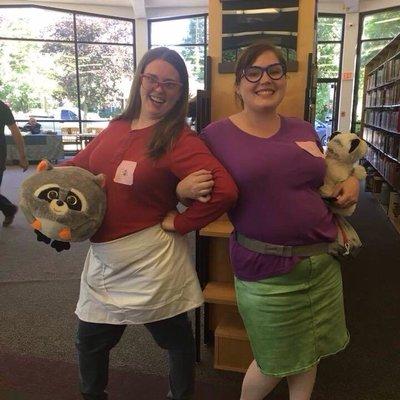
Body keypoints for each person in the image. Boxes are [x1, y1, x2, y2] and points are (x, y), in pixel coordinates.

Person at [177, 42, 360, 400]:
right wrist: (183, 189)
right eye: (254, 72)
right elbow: (186, 186)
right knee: (272, 360)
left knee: (311, 351)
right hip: (265, 270)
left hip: (322, 261)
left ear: (285, 79)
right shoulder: (215, 136)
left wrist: (352, 180)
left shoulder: (304, 129)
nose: (265, 79)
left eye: (274, 70)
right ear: (239, 84)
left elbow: (328, 176)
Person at [62, 47, 238, 400]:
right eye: (152, 78)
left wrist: (184, 222)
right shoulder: (117, 126)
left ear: (180, 92)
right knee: (89, 340)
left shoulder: (178, 139)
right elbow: (80, 166)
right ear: (140, 79)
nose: (159, 88)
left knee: (175, 341)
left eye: (170, 84)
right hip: (104, 258)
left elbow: (226, 191)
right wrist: (49, 184)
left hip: (151, 261)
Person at [0, 100, 28, 227]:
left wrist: (22, 157)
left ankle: (8, 208)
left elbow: (15, 131)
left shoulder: (2, 107)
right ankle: (8, 208)